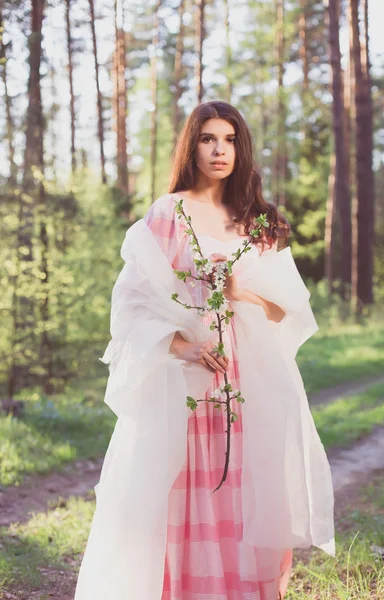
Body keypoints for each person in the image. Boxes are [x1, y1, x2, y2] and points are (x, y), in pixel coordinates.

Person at [74, 101, 335, 600]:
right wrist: (181, 346)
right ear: (191, 146)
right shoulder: (167, 215)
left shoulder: (257, 221)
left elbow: (287, 311)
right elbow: (130, 306)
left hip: (244, 380)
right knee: (183, 485)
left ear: (242, 148)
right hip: (185, 381)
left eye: (230, 140)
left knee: (242, 486)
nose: (220, 150)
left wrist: (241, 291)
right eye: (208, 139)